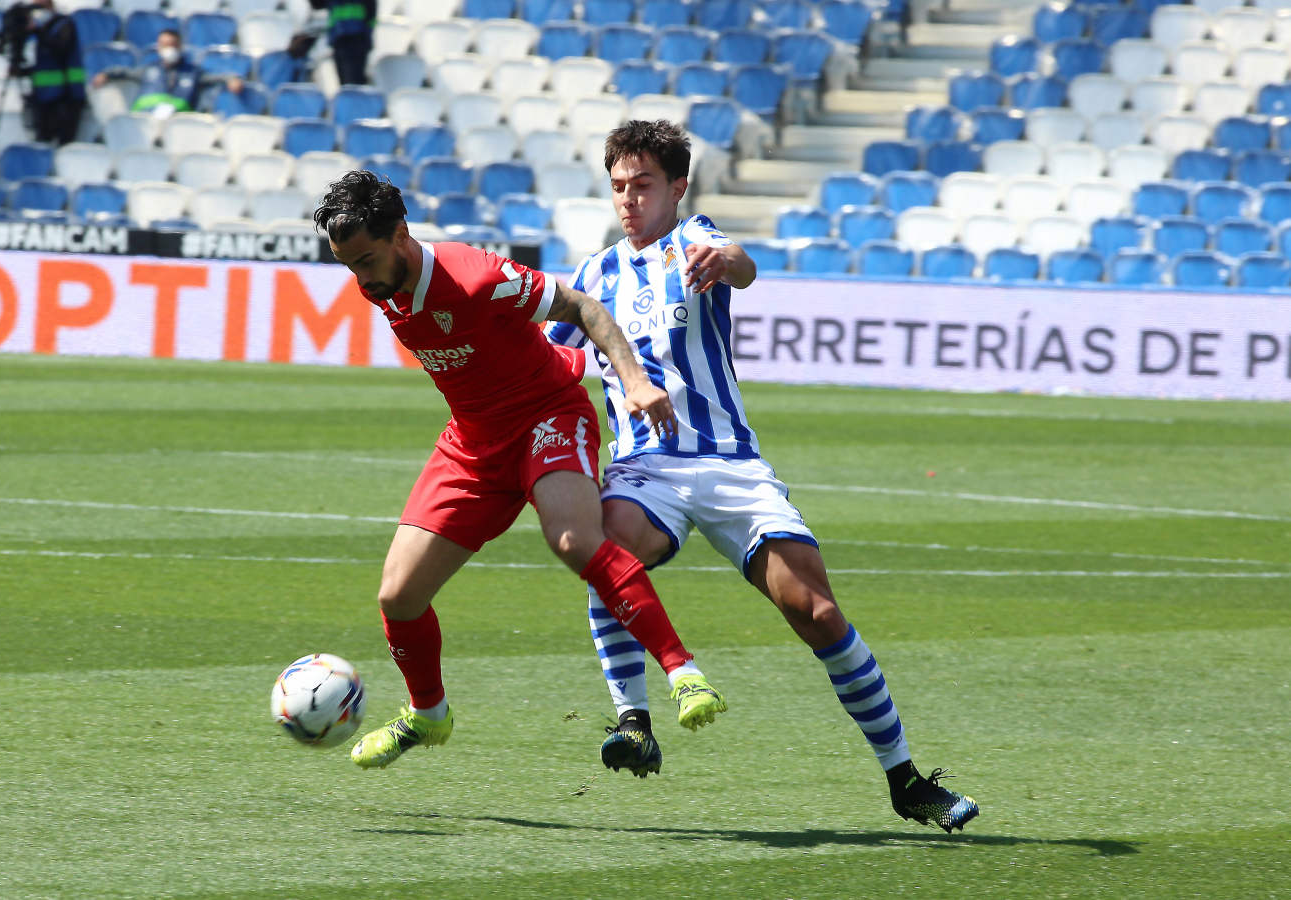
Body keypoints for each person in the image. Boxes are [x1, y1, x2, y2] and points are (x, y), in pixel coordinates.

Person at [545, 120, 980, 833]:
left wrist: (728, 260)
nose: (628, 199)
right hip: (645, 467)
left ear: (677, 188)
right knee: (607, 550)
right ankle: (633, 721)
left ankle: (906, 780)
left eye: (643, 185)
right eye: (619, 186)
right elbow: (547, 354)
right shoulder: (594, 277)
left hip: (732, 466)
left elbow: (740, 264)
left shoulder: (697, 244)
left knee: (819, 614)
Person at [310, 171, 728, 769]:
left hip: (545, 418)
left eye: (367, 261)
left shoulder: (477, 277)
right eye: (350, 268)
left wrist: (633, 379)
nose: (363, 281)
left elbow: (582, 307)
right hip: (473, 444)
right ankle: (428, 715)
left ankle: (684, 674)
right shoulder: (384, 285)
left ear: (401, 233)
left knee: (573, 539)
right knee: (398, 596)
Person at [90, 30, 244, 116]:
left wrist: (232, 79)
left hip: (177, 126)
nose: (168, 49)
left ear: (180, 46)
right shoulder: (147, 69)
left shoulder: (193, 72)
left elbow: (218, 77)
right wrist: (106, 74)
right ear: (158, 47)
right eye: (164, 45)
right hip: (144, 121)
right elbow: (123, 72)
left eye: (172, 45)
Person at [14, 0, 86, 145]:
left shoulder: (64, 24)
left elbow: (59, 49)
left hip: (67, 96)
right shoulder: (41, 31)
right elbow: (44, 65)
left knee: (65, 145)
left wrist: (39, 31)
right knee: (42, 143)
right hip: (43, 97)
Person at [310, 0, 376, 86]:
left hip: (356, 39)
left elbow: (371, 14)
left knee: (353, 82)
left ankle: (356, 97)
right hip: (339, 40)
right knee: (345, 82)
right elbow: (317, 4)